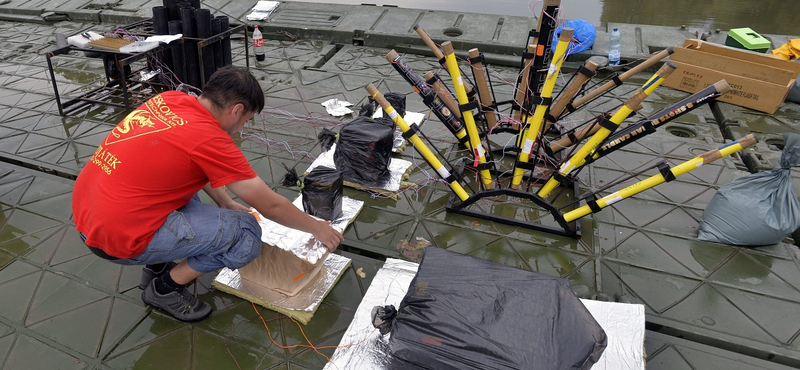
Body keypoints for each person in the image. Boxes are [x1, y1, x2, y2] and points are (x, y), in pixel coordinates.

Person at [72, 66, 344, 322]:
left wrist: (224, 201)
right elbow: (269, 205)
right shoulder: (210, 139)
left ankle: (156, 265)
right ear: (236, 111)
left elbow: (193, 163)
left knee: (181, 185)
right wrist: (317, 227)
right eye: (246, 120)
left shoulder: (170, 100)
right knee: (246, 233)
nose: (242, 128)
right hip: (115, 239)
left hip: (89, 213)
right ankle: (165, 289)